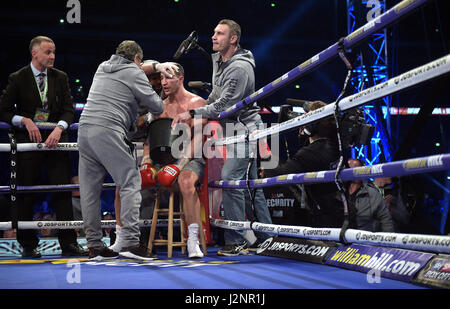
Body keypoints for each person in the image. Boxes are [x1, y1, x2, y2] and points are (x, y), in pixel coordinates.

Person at [172, 19, 272, 256]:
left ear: (233, 39)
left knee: (231, 179)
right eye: (214, 32)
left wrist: (193, 111)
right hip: (233, 129)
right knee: (249, 187)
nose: (214, 37)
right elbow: (216, 94)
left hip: (243, 128)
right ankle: (268, 236)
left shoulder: (239, 68)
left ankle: (237, 240)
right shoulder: (219, 59)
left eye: (220, 34)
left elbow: (225, 106)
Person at [77, 40, 176, 261]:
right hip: (108, 129)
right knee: (131, 183)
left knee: (90, 191)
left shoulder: (103, 66)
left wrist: (156, 66)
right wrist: (156, 70)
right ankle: (131, 242)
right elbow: (158, 107)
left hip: (84, 131)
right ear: (137, 59)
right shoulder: (134, 72)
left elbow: (131, 69)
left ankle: (94, 245)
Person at [0, 35, 88, 258]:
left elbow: (69, 109)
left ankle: (68, 243)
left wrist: (59, 128)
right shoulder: (18, 78)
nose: (52, 56)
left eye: (54, 52)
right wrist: (24, 120)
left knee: (62, 193)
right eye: (48, 52)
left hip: (55, 142)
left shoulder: (60, 77)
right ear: (34, 53)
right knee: (26, 193)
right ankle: (28, 245)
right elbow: (4, 110)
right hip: (28, 143)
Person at [112, 63, 208, 258]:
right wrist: (146, 163)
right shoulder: (158, 107)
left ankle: (193, 241)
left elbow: (198, 139)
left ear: (180, 79)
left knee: (187, 182)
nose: (163, 82)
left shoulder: (197, 103)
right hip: (160, 160)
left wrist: (177, 166)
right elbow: (150, 141)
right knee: (123, 183)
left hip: (189, 159)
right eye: (161, 78)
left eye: (168, 78)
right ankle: (120, 239)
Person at [262, 101, 345, 228]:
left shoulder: (313, 152)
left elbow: (277, 174)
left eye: (307, 119)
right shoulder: (334, 144)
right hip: (335, 208)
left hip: (326, 215)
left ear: (312, 125)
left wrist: (262, 145)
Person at [347, 159, 395, 232]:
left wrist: (389, 240)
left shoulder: (373, 193)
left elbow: (386, 220)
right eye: (349, 169)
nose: (353, 172)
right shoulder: (339, 192)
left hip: (363, 237)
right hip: (339, 236)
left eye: (356, 169)